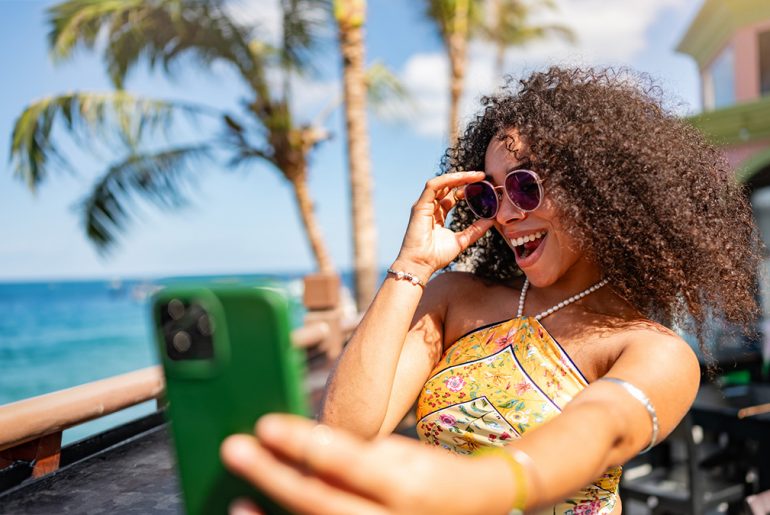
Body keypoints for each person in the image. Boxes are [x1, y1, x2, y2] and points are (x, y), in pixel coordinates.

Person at [220, 66, 762, 514]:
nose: (505, 214)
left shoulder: (652, 350)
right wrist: (411, 265)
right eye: (489, 194)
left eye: (525, 185)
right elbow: (342, 434)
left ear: (599, 189)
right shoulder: (454, 299)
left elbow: (599, 429)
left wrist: (483, 489)